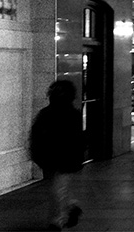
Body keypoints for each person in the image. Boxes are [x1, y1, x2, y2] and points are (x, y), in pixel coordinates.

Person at [30, 80, 85, 231]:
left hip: (51, 158)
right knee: (59, 187)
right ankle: (71, 207)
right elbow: (78, 138)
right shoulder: (73, 114)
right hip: (64, 158)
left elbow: (36, 136)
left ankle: (57, 220)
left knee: (56, 188)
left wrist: (36, 154)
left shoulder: (46, 114)